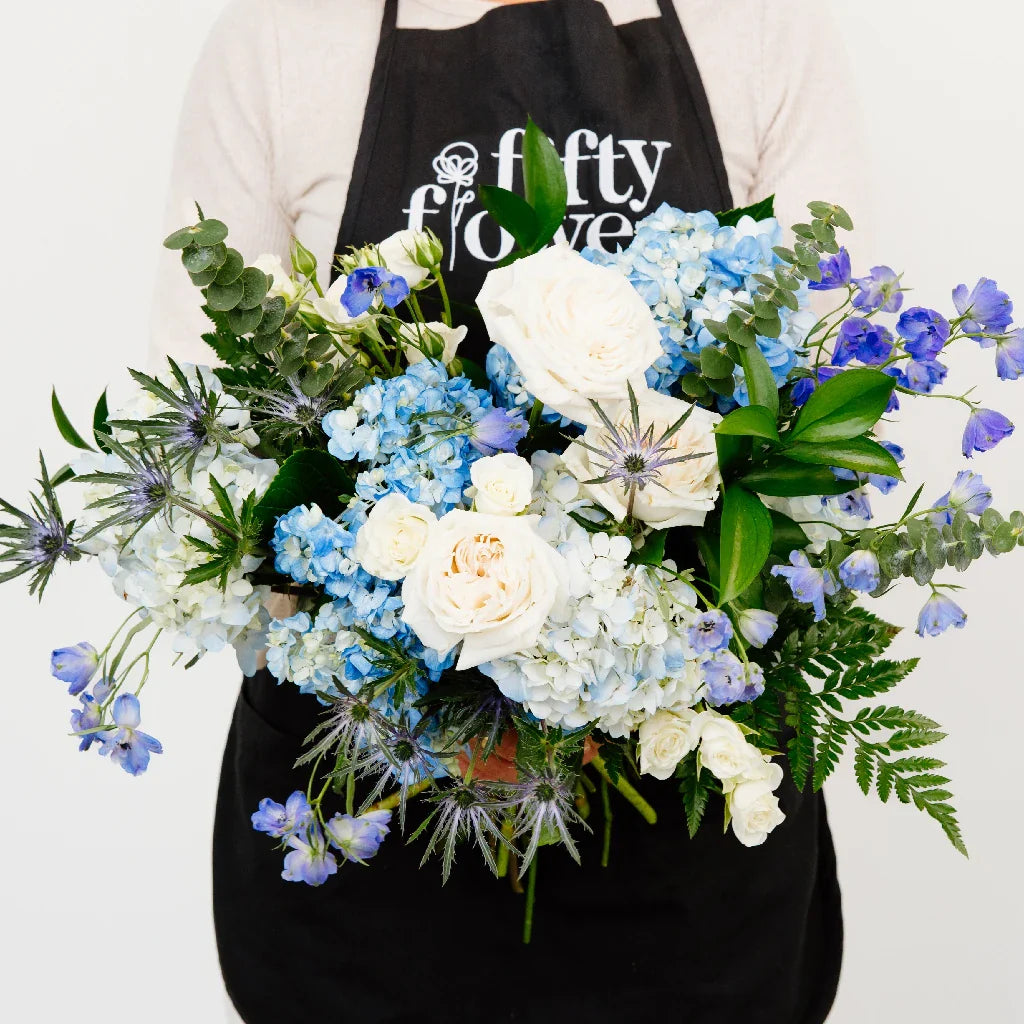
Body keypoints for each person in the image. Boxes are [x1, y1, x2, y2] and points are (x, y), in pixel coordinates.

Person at [152, 2, 869, 1021]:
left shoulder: (756, 29)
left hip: (685, 858)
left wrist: (614, 679)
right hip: (374, 835)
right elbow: (206, 433)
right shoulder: (281, 36)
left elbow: (816, 402)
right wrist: (437, 679)